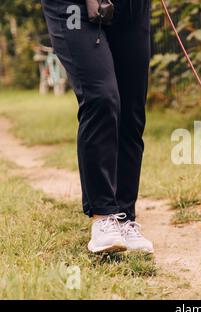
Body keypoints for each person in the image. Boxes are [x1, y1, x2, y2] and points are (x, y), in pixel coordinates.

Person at [41, 0, 154, 254]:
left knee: (131, 109)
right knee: (102, 97)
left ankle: (125, 218)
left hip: (132, 8)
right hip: (73, 7)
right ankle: (104, 216)